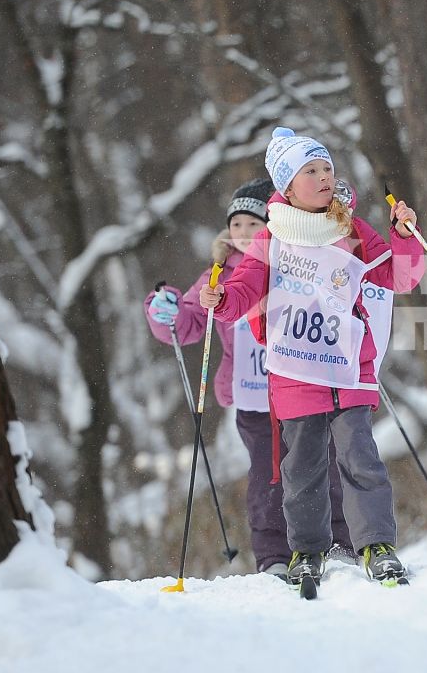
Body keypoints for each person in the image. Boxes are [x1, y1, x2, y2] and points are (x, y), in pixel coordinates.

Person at [209, 129, 427, 593]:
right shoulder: (270, 238)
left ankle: (377, 546)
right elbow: (245, 292)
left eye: (327, 167)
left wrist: (405, 237)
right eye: (311, 170)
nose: (324, 176)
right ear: (287, 187)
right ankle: (306, 551)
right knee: (302, 467)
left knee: (359, 457)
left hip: (348, 366)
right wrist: (221, 298)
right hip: (295, 370)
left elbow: (399, 277)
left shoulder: (349, 227)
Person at [145, 178, 353, 573]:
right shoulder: (217, 275)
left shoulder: (297, 262)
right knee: (268, 474)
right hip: (254, 395)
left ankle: (338, 545)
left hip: (306, 386)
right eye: (236, 224)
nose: (243, 233)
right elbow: (190, 322)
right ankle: (274, 556)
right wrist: (166, 311)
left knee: (321, 465)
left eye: (254, 225)